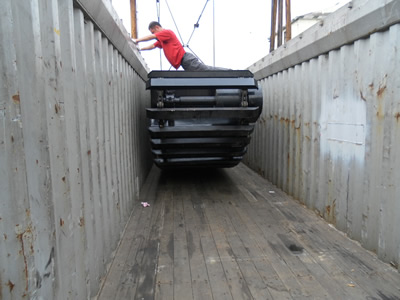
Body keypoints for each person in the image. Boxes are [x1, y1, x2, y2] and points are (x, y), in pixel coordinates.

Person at [132, 21, 226, 71]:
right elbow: (153, 45)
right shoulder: (163, 40)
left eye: (153, 31)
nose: (154, 34)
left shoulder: (166, 33)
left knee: (205, 71)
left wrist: (136, 40)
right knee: (202, 73)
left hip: (186, 60)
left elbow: (152, 37)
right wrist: (140, 48)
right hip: (185, 62)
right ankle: (227, 72)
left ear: (157, 27)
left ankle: (228, 72)